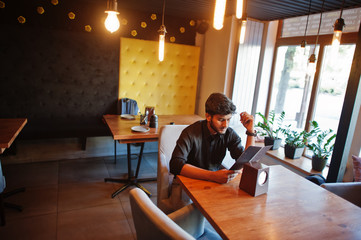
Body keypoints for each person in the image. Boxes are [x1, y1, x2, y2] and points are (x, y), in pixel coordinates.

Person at [169, 92, 256, 184]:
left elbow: (247, 162)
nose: (225, 125)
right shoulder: (190, 132)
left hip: (213, 182)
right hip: (188, 181)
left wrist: (250, 132)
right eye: (221, 120)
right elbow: (175, 165)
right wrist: (212, 176)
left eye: (228, 119)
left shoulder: (229, 134)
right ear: (208, 117)